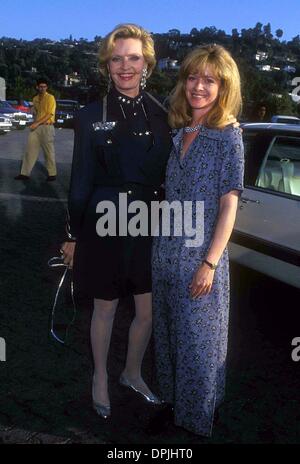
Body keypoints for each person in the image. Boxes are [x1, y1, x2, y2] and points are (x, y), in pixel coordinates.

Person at [61, 24, 172, 419]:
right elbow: (79, 181)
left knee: (147, 310)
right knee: (105, 309)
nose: (126, 66)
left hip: (151, 221)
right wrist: (73, 235)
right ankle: (100, 379)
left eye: (134, 58)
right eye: (117, 58)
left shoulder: (164, 113)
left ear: (147, 63)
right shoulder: (91, 115)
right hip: (104, 221)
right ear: (106, 65)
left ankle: (131, 373)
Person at [151, 44, 244, 437]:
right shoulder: (179, 131)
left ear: (223, 87)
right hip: (166, 253)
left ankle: (195, 422)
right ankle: (171, 405)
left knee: (200, 346)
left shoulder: (228, 136)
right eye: (192, 77)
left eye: (209, 79)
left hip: (201, 258)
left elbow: (229, 205)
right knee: (169, 336)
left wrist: (209, 263)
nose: (199, 86)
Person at [15, 78, 57, 181]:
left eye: (44, 87)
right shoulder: (35, 99)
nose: (42, 88)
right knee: (30, 150)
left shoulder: (50, 98)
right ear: (37, 87)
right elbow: (36, 112)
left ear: (46, 88)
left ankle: (52, 174)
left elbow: (49, 114)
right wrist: (31, 110)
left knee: (48, 152)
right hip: (36, 127)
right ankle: (25, 173)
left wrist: (37, 123)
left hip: (47, 126)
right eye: (41, 87)